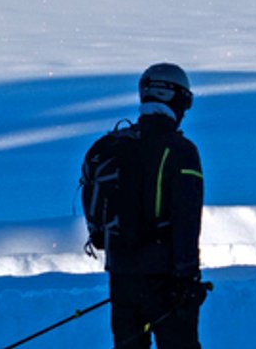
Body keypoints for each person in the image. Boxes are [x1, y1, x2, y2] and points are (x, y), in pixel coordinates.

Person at [81, 64, 206, 349]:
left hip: (121, 274)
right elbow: (187, 218)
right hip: (168, 278)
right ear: (179, 100)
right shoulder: (181, 151)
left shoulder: (112, 146)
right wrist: (187, 275)